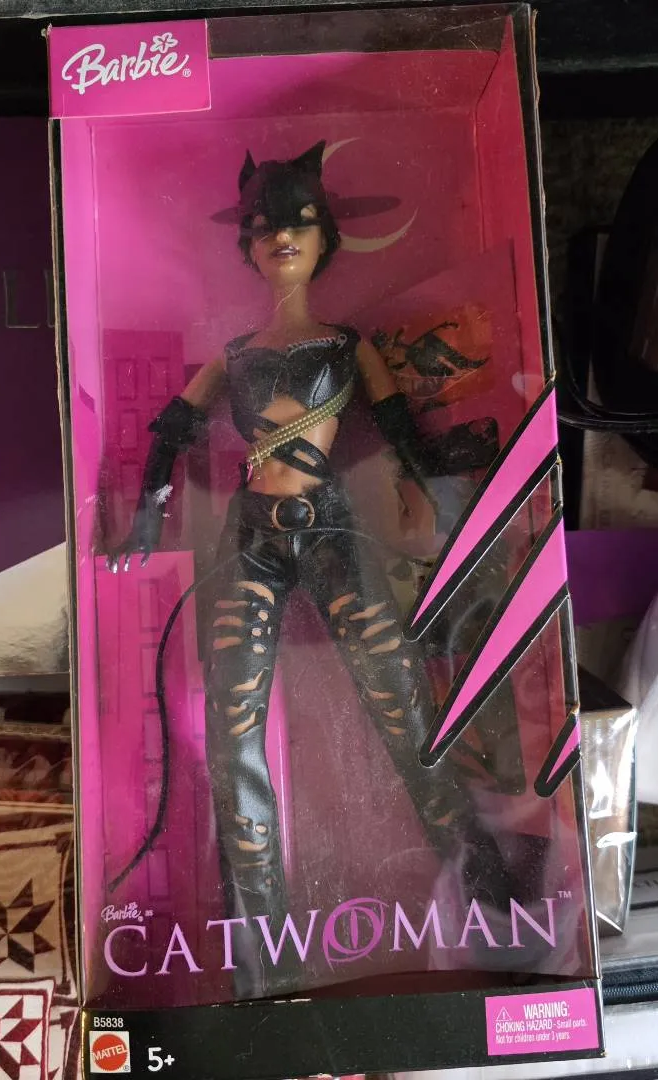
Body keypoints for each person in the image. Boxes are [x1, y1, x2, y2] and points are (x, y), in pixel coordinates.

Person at [109, 141, 513, 999]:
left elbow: (401, 430)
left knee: (400, 698)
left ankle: (488, 890)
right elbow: (170, 433)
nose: (280, 238)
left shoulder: (346, 345)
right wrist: (146, 516)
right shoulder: (233, 356)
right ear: (246, 247)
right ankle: (261, 955)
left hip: (330, 529)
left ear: (326, 237)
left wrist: (437, 500)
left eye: (296, 222)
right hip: (251, 539)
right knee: (233, 729)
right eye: (262, 227)